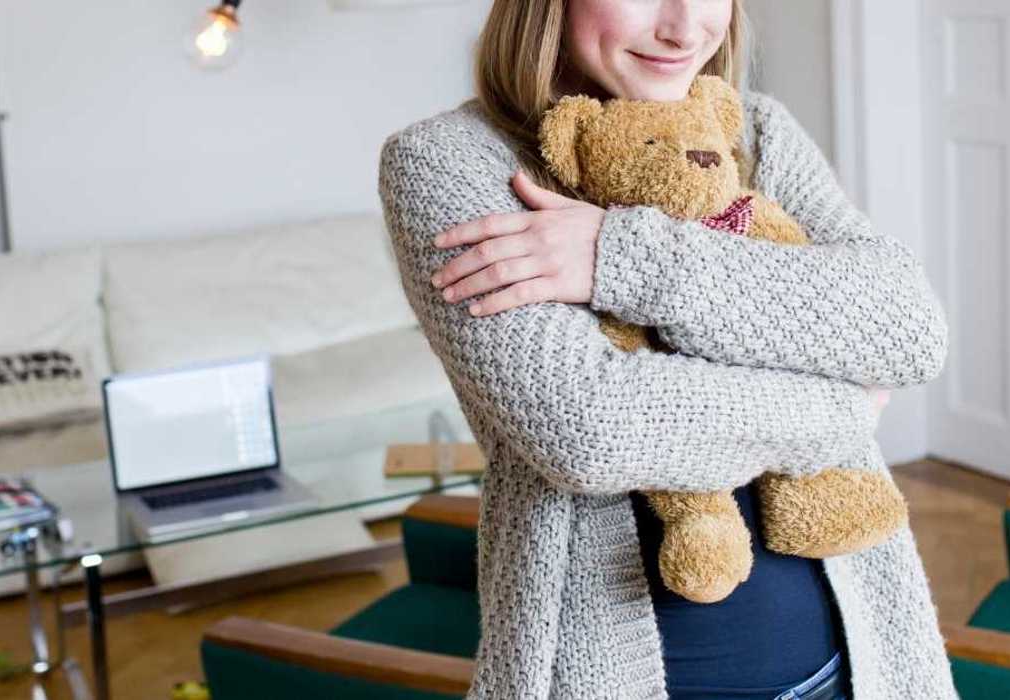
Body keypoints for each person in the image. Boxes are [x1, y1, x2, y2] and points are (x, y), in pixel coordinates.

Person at [376, 0, 956, 697]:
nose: (685, 28)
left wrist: (620, 256)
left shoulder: (757, 130)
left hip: (857, 668)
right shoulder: (446, 163)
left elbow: (909, 328)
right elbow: (589, 430)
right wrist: (842, 411)